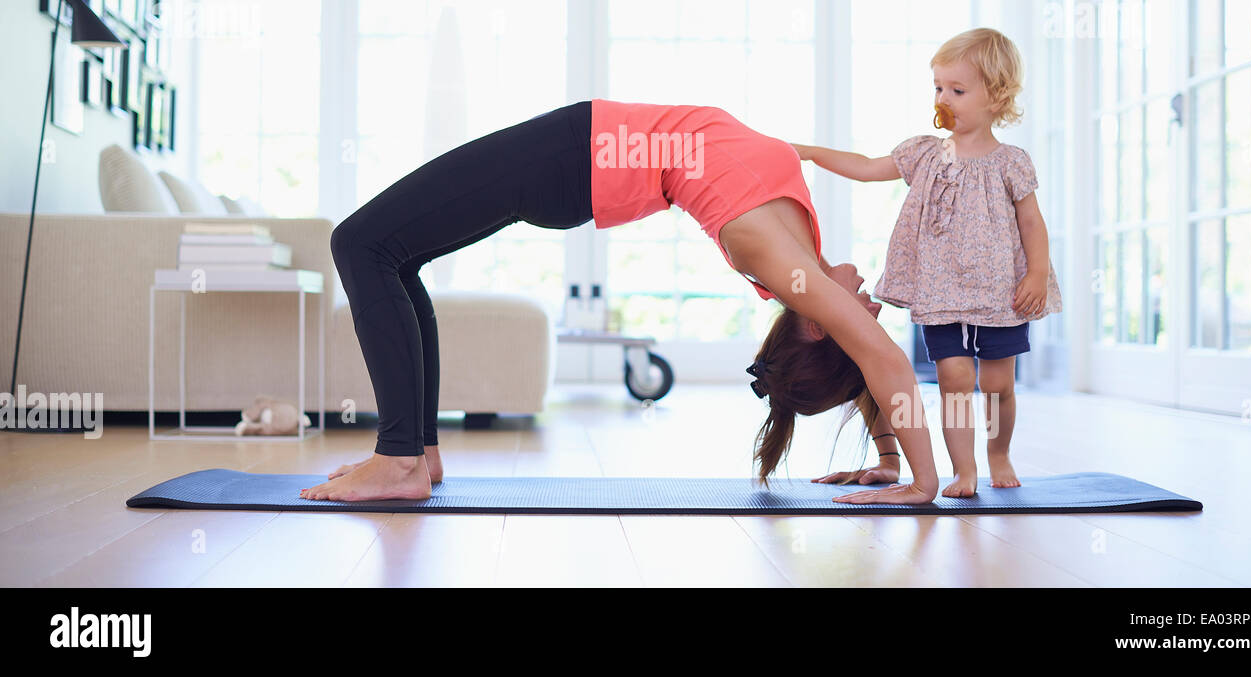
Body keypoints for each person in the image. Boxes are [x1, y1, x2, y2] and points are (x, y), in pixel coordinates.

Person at [302, 99, 940, 504]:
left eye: (862, 319)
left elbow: (880, 361)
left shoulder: (785, 267)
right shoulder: (802, 244)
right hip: (580, 150)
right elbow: (868, 365)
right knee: (395, 253)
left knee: (361, 243)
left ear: (822, 330)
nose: (874, 304)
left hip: (574, 156)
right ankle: (419, 451)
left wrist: (922, 480)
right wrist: (886, 459)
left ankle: (399, 460)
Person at [794, 28, 1062, 498]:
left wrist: (1037, 273)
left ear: (996, 96)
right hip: (942, 291)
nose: (944, 98)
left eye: (958, 90)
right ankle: (964, 469)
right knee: (954, 378)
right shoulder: (924, 152)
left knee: (998, 384)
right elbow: (866, 166)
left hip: (1000, 291)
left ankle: (998, 453)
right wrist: (811, 152)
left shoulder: (1011, 163)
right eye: (939, 87)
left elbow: (1033, 224)